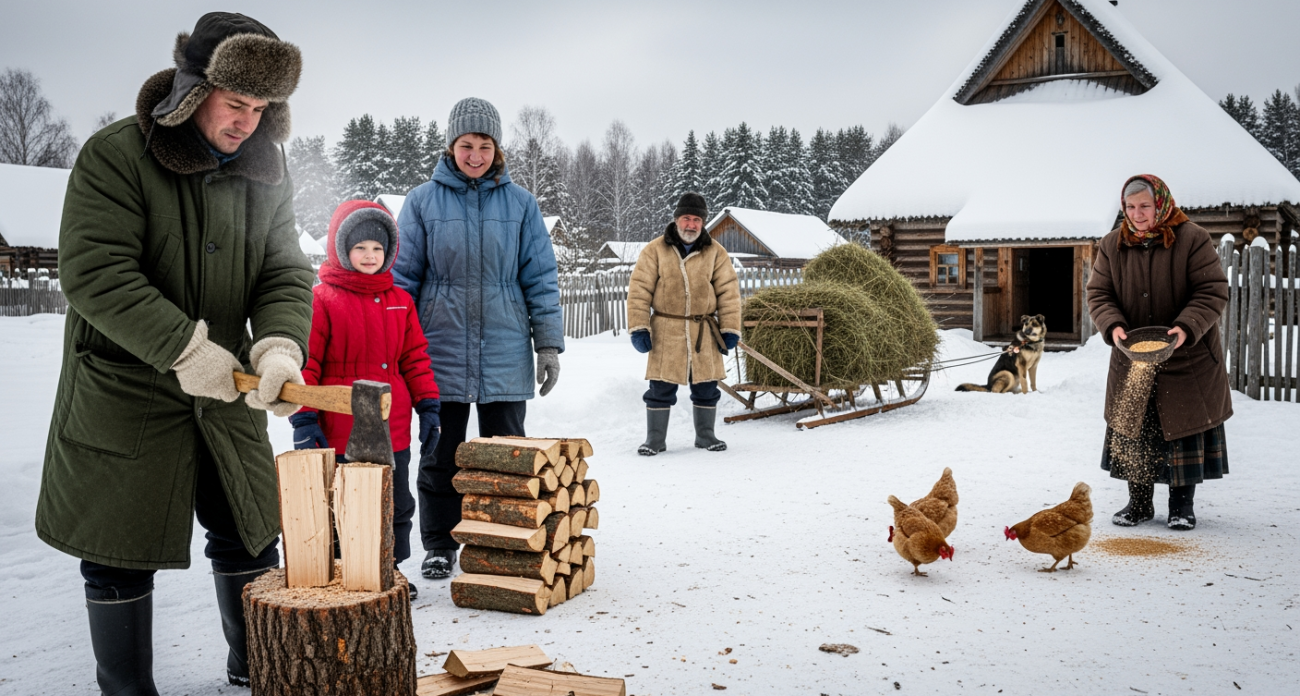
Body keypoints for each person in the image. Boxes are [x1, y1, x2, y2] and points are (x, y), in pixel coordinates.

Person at [33, 12, 312, 693]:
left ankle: (256, 667)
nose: (247, 121)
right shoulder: (116, 155)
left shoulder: (268, 173)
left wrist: (278, 347)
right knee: (117, 551)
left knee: (249, 529)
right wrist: (184, 349)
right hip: (125, 388)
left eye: (262, 108)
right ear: (194, 90)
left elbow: (283, 271)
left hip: (227, 386)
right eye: (236, 102)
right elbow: (95, 272)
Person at [394, 97, 564, 580]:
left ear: (497, 148)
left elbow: (540, 278)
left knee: (506, 459)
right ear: (451, 146)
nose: (475, 155)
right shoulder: (421, 201)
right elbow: (403, 279)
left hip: (505, 350)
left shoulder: (522, 205)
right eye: (466, 145)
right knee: (440, 456)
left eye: (484, 145)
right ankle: (439, 545)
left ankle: (503, 542)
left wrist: (547, 343)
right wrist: (395, 346)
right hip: (439, 350)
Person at [288, 201, 441, 597]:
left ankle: (389, 569)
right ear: (341, 249)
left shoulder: (400, 300)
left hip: (393, 428)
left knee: (394, 502)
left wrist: (428, 406)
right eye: (360, 248)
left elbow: (415, 358)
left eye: (377, 247)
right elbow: (308, 363)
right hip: (342, 429)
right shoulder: (322, 299)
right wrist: (304, 417)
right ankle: (348, 571)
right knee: (348, 504)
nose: (370, 255)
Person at [1087, 174, 1232, 531]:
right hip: (1132, 355)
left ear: (1161, 204)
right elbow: (1099, 293)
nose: (1137, 214)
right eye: (1130, 207)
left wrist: (1186, 327)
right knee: (1136, 428)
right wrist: (1112, 325)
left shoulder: (1193, 238)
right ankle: (1138, 504)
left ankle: (1182, 506)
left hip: (1187, 357)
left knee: (1183, 429)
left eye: (1145, 206)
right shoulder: (1112, 244)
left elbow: (1212, 290)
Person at [626, 192, 742, 455]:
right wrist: (639, 327)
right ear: (676, 219)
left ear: (703, 223)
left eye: (697, 220)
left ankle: (706, 435)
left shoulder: (716, 252)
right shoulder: (655, 250)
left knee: (707, 386)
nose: (691, 225)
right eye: (687, 219)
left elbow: (729, 292)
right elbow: (639, 291)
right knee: (660, 386)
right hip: (667, 329)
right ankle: (655, 439)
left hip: (704, 330)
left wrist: (729, 328)